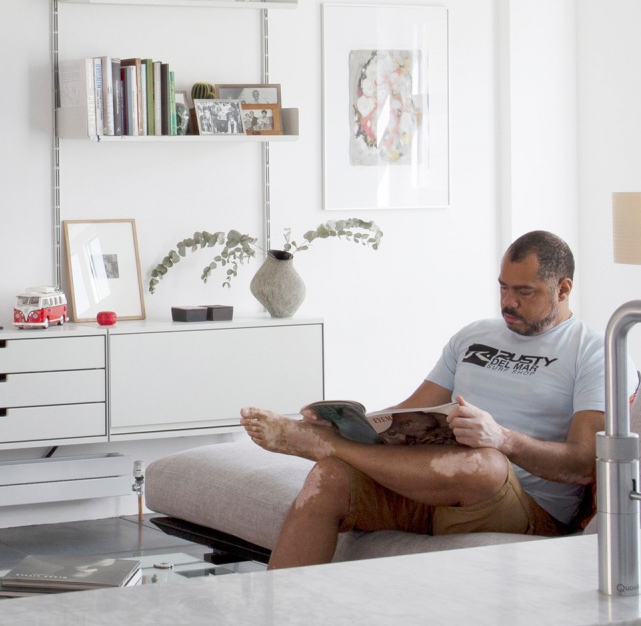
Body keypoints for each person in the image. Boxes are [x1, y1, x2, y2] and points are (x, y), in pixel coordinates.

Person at [239, 230, 604, 568]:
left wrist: (502, 439)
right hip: (434, 490)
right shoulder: (474, 335)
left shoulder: (593, 352)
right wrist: (346, 423)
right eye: (502, 287)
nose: (508, 302)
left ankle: (324, 445)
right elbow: (409, 411)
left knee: (486, 464)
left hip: (518, 504)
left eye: (524, 292)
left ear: (563, 289)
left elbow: (586, 463)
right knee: (329, 477)